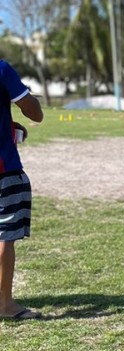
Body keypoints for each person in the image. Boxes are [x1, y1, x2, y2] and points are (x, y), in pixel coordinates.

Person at [0, 60, 43, 320]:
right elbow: (35, 113)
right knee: (4, 235)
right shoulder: (2, 69)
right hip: (4, 170)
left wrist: (9, 126)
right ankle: (4, 305)